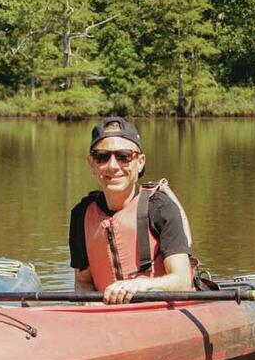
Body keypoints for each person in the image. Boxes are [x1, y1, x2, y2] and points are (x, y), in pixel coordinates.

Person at [69, 116, 196, 304]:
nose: (113, 166)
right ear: (91, 163)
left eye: (124, 156)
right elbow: (83, 282)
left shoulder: (161, 207)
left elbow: (182, 281)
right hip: (105, 317)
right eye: (102, 157)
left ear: (140, 161)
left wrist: (141, 285)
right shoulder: (81, 214)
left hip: (161, 312)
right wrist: (89, 303)